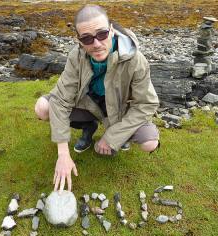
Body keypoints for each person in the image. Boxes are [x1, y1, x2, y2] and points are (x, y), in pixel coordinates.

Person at [34, 4, 160, 192]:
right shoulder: (76, 56)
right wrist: (63, 153)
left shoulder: (135, 59)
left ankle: (118, 132)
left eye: (101, 34)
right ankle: (88, 127)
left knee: (150, 142)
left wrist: (112, 137)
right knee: (42, 108)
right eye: (87, 38)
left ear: (111, 30)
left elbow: (147, 104)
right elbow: (61, 100)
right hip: (88, 104)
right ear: (79, 40)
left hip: (120, 110)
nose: (96, 43)